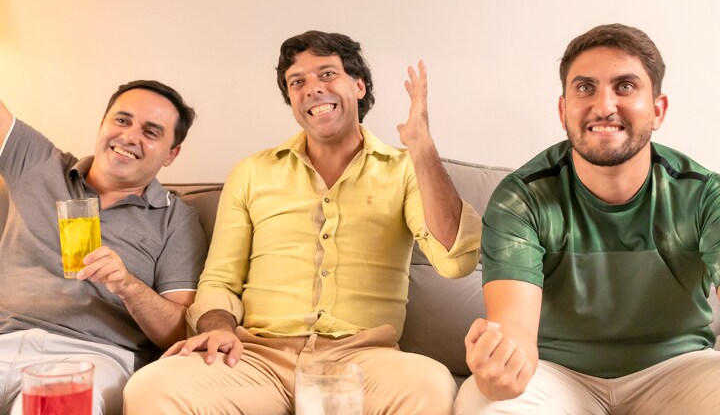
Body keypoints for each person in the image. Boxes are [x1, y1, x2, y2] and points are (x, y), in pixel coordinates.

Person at [123, 30, 483, 414]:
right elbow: (220, 281)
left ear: (358, 86)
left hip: (364, 361)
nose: (312, 88)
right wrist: (218, 327)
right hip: (256, 359)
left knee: (428, 385)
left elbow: (455, 260)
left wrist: (423, 148)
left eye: (327, 74)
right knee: (153, 387)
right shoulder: (252, 172)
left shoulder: (406, 169)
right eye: (298, 82)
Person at [455, 23, 720, 415]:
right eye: (585, 88)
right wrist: (503, 364)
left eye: (625, 86)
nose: (604, 106)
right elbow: (515, 327)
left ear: (658, 109)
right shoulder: (521, 197)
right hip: (555, 373)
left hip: (677, 369)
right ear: (563, 110)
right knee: (485, 405)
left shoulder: (703, 195)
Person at [0, 80, 208, 414]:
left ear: (171, 154)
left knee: (54, 409)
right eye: (122, 120)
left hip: (88, 355)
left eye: (151, 132)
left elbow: (177, 331)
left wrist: (128, 285)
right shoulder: (39, 164)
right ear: (102, 125)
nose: (129, 137)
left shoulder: (177, 220)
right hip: (4, 339)